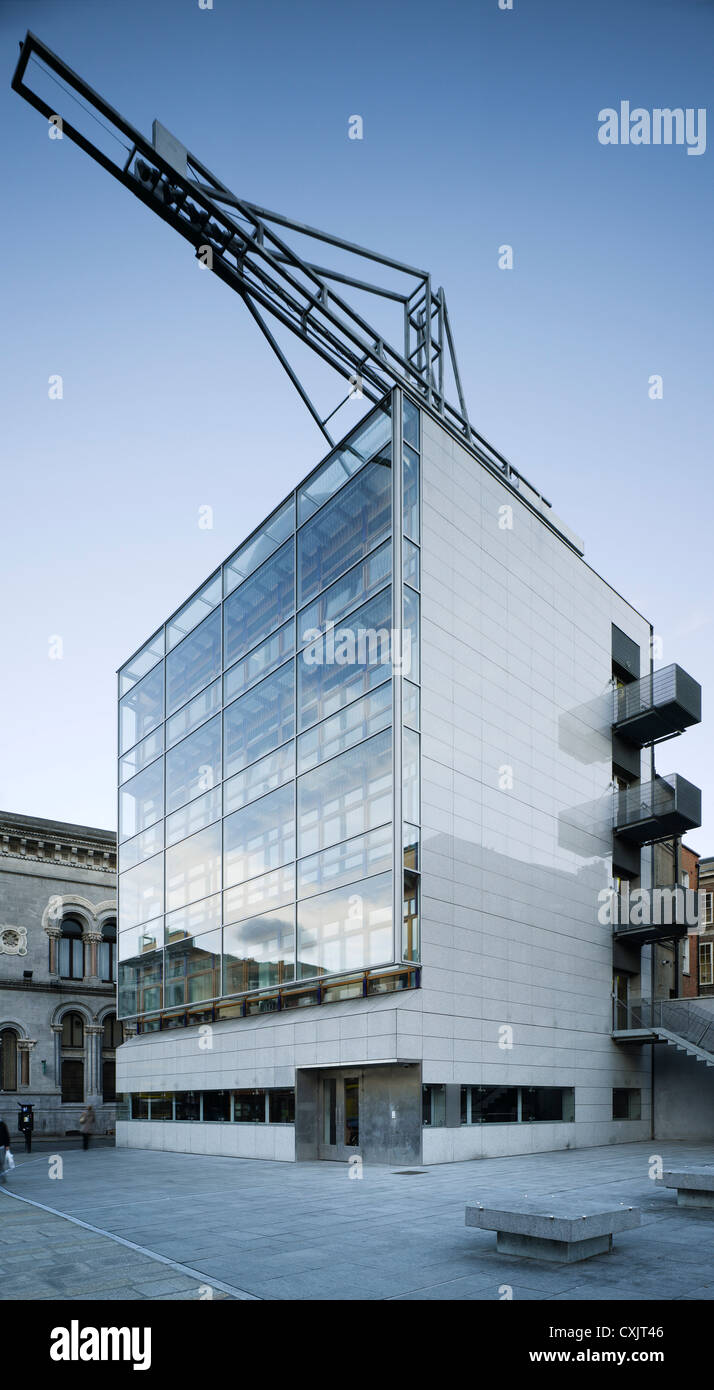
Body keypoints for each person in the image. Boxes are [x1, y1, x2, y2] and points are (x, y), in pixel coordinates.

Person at [0, 1116, 11, 1183]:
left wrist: (7, 1145)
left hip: (1, 1147)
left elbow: (6, 1135)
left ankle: (3, 1178)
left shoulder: (2, 1124)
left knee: (1, 1162)